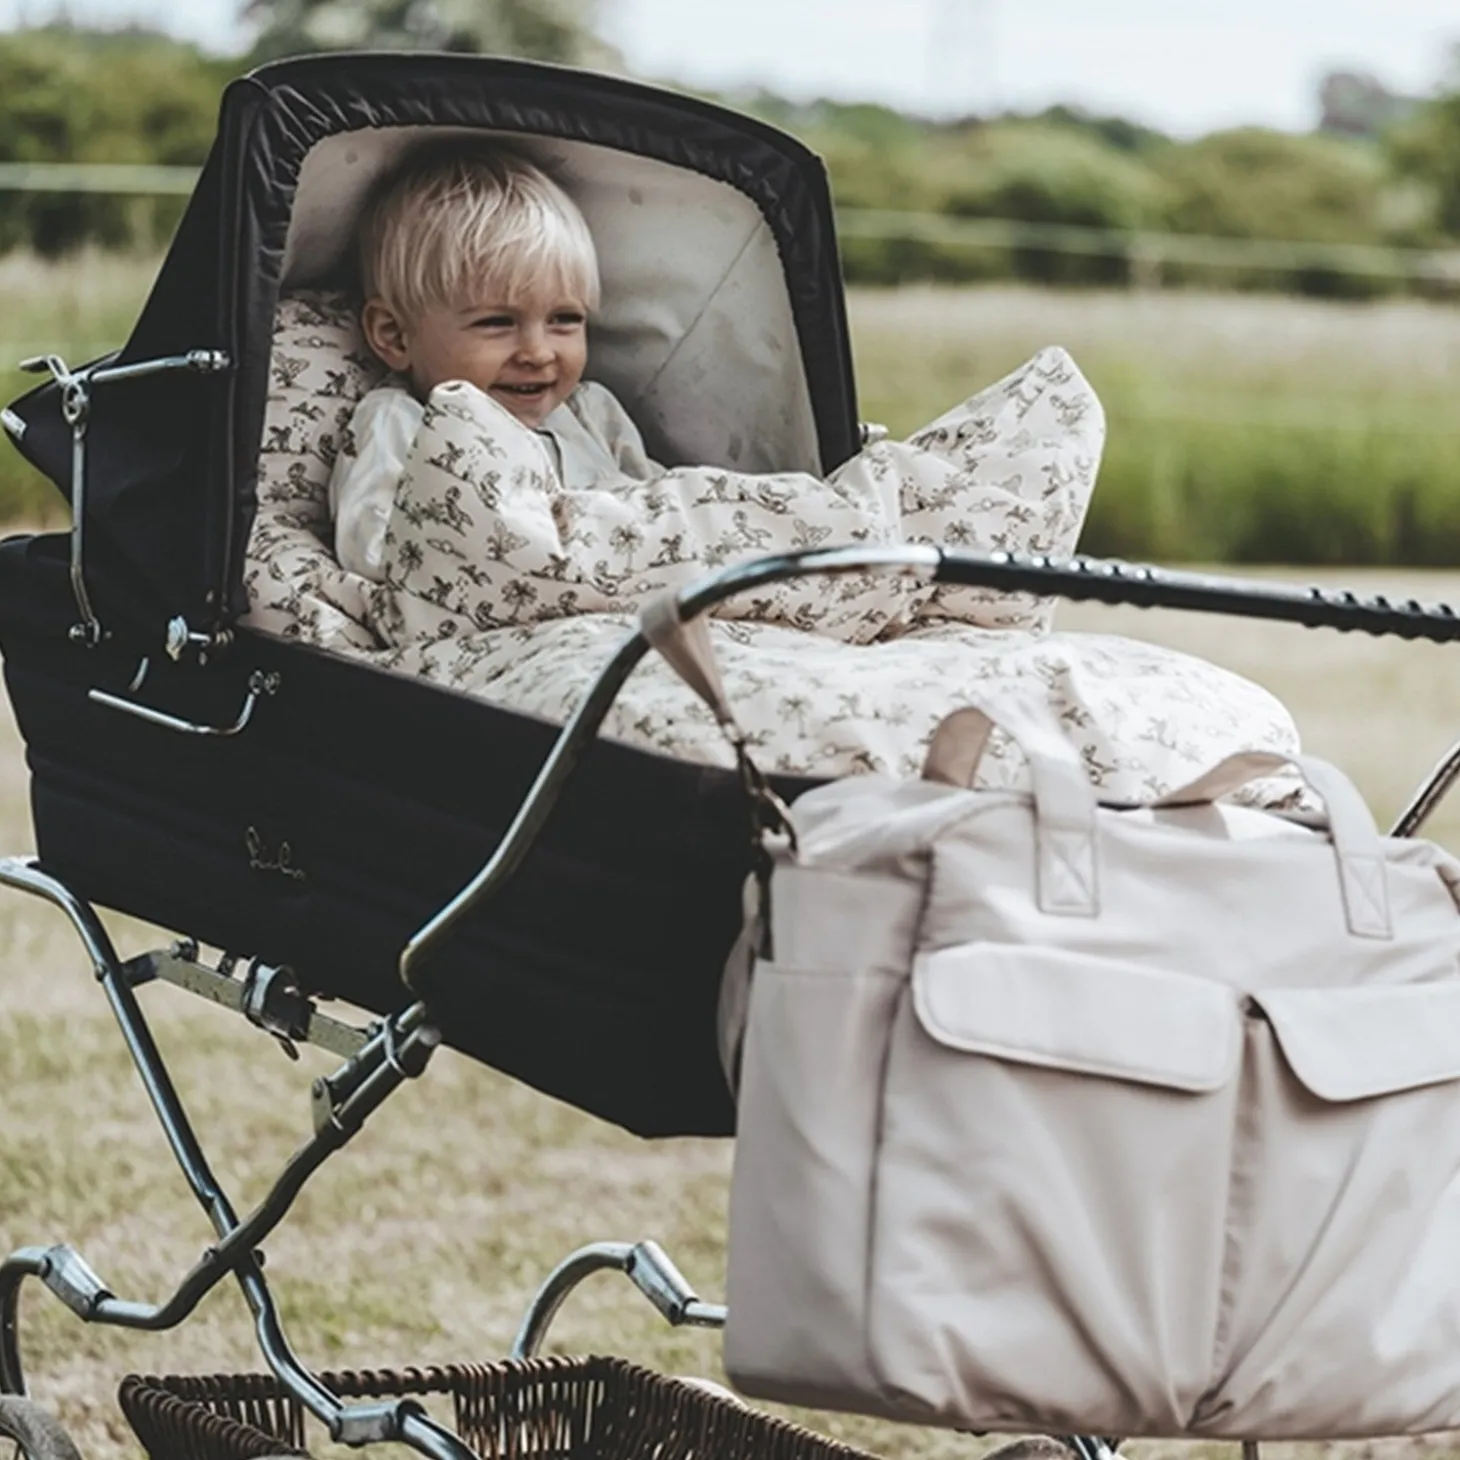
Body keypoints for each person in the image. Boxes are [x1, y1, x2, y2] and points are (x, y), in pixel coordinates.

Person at [329, 142, 658, 582]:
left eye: (564, 319)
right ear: (395, 335)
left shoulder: (592, 414)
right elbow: (374, 552)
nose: (538, 353)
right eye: (497, 323)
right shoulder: (402, 423)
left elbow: (663, 510)